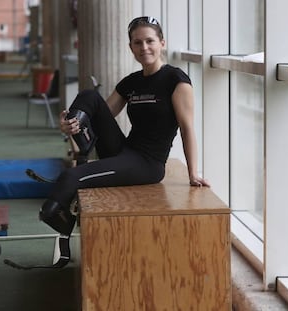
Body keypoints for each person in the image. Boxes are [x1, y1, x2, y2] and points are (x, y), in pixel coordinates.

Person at [40, 16, 210, 267]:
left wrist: (193, 174)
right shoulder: (131, 82)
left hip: (147, 164)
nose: (144, 48)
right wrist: (71, 124)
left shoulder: (176, 80)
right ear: (131, 47)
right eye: (137, 43)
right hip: (124, 151)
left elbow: (187, 128)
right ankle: (78, 146)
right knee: (89, 95)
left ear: (162, 43)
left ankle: (58, 218)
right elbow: (99, 116)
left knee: (71, 178)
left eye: (150, 41)